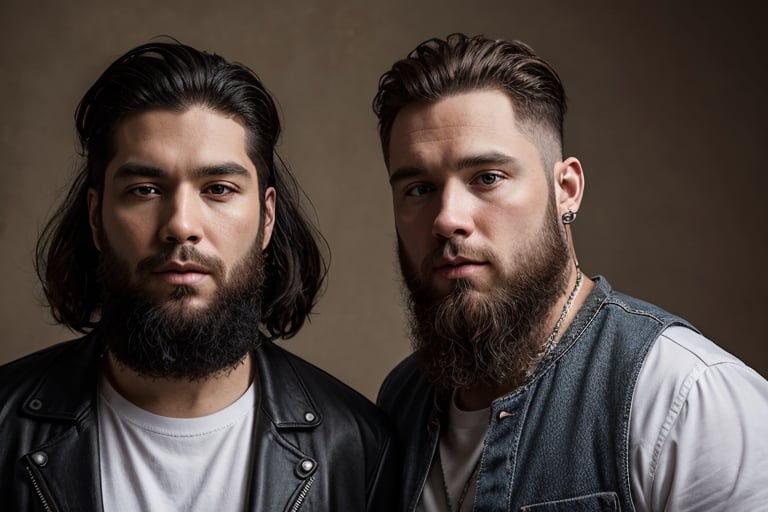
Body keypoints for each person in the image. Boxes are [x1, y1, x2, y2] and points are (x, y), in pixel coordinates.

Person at [372, 33, 768, 511]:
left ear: (566, 189)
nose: (447, 218)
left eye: (487, 178)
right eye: (419, 188)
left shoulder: (687, 399)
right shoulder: (400, 402)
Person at [0, 41, 396, 511]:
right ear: (96, 218)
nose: (181, 225)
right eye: (145, 189)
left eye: (219, 189)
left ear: (267, 218)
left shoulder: (358, 448)